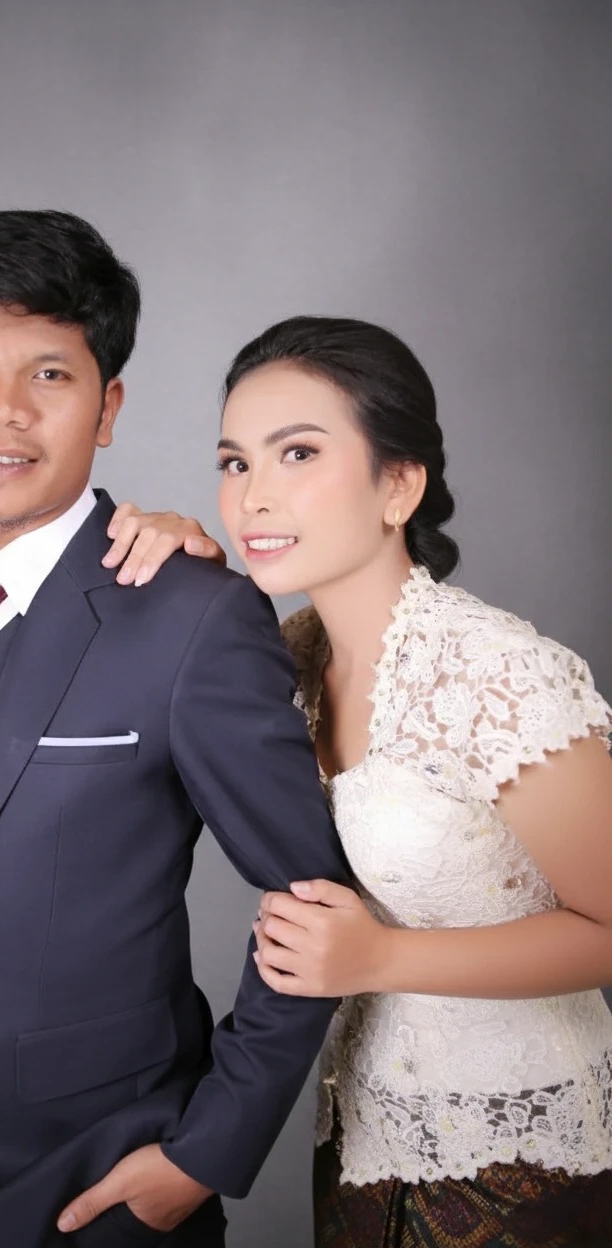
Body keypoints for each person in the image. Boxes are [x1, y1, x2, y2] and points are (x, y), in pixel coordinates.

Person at [0, 213, 354, 1248]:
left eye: (50, 376)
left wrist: (206, 1152)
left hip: (110, 1174)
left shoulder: (194, 616)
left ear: (107, 407)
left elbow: (316, 902)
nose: (3, 410)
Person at [106, 315, 612, 1247]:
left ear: (399, 485)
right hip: (357, 1142)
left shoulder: (497, 673)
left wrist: (381, 959)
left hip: (531, 1162)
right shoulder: (282, 662)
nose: (253, 496)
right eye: (234, 463)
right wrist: (179, 580)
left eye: (297, 453)